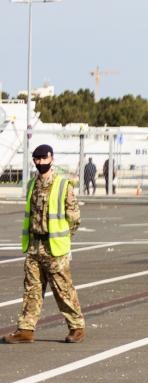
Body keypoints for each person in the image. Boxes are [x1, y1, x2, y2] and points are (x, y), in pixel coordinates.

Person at [4, 144, 86, 344]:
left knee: (63, 289)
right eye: (37, 159)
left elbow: (74, 217)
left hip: (54, 246)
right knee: (31, 289)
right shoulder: (33, 184)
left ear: (52, 158)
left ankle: (76, 327)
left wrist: (65, 238)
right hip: (34, 245)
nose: (40, 162)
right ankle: (26, 329)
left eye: (43, 158)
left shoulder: (62, 185)